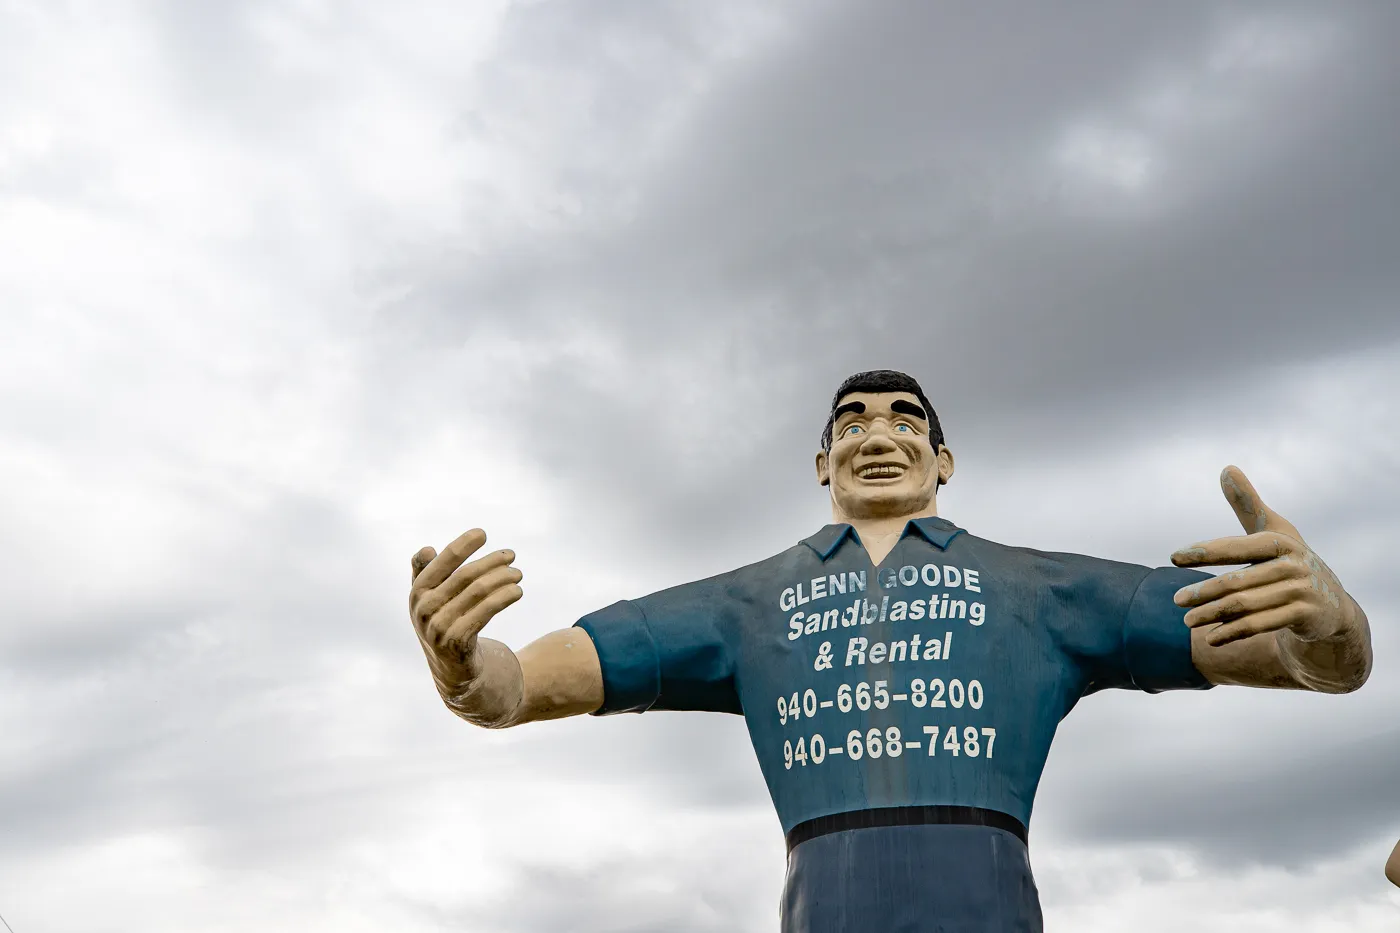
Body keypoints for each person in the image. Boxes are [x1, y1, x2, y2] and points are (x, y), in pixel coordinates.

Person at [407, 369, 1373, 932]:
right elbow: (522, 684)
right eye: (852, 423)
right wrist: (464, 670)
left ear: (944, 462)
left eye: (906, 419)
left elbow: (1304, 655)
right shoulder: (747, 604)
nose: (879, 434)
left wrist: (1333, 626)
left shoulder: (1042, 590)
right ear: (823, 462)